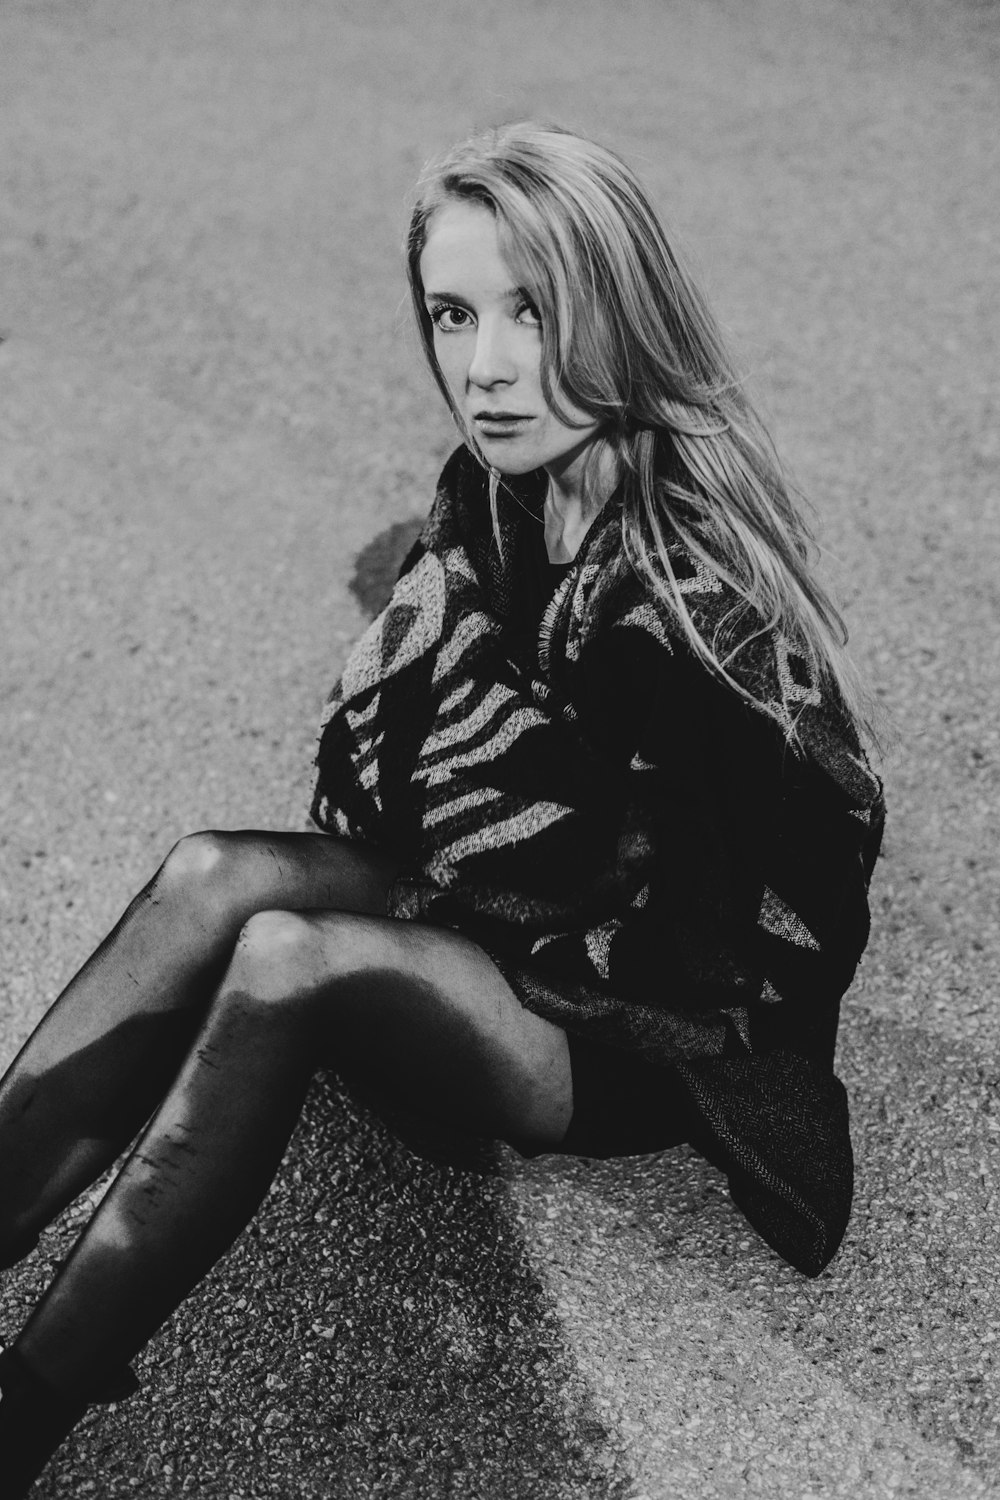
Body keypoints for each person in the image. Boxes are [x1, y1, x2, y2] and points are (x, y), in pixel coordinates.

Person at [0, 121, 884, 1493]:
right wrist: (487, 847)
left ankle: (23, 1411)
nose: (487, 366)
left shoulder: (704, 622)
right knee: (212, 875)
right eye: (456, 314)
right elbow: (388, 758)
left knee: (290, 963)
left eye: (535, 310)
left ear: (618, 303)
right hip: (511, 909)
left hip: (630, 1027)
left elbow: (721, 962)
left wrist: (480, 891)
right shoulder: (496, 489)